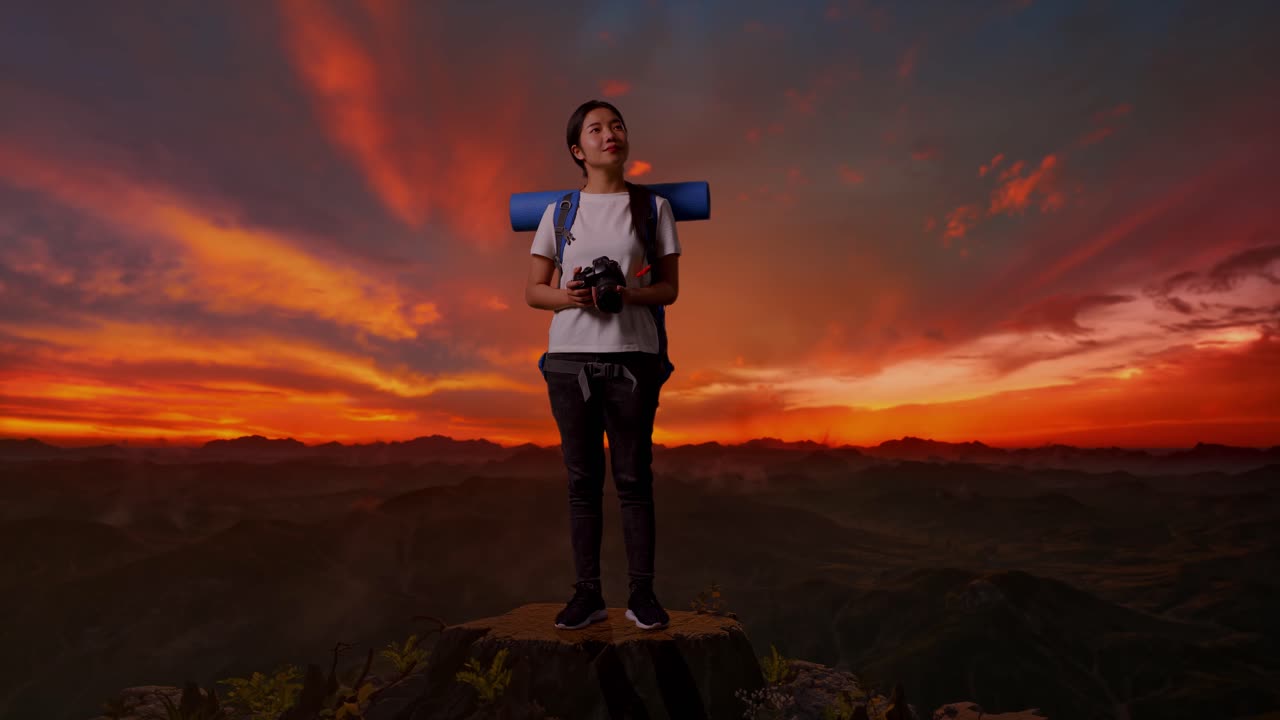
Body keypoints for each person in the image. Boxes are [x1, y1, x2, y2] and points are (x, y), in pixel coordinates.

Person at [525, 99, 681, 631]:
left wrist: (628, 294)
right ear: (578, 149)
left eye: (617, 125)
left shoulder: (652, 208)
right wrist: (572, 297)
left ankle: (642, 596)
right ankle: (587, 596)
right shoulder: (559, 212)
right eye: (596, 129)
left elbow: (670, 289)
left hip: (634, 358)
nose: (610, 133)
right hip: (569, 358)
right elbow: (532, 291)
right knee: (582, 482)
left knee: (635, 478)